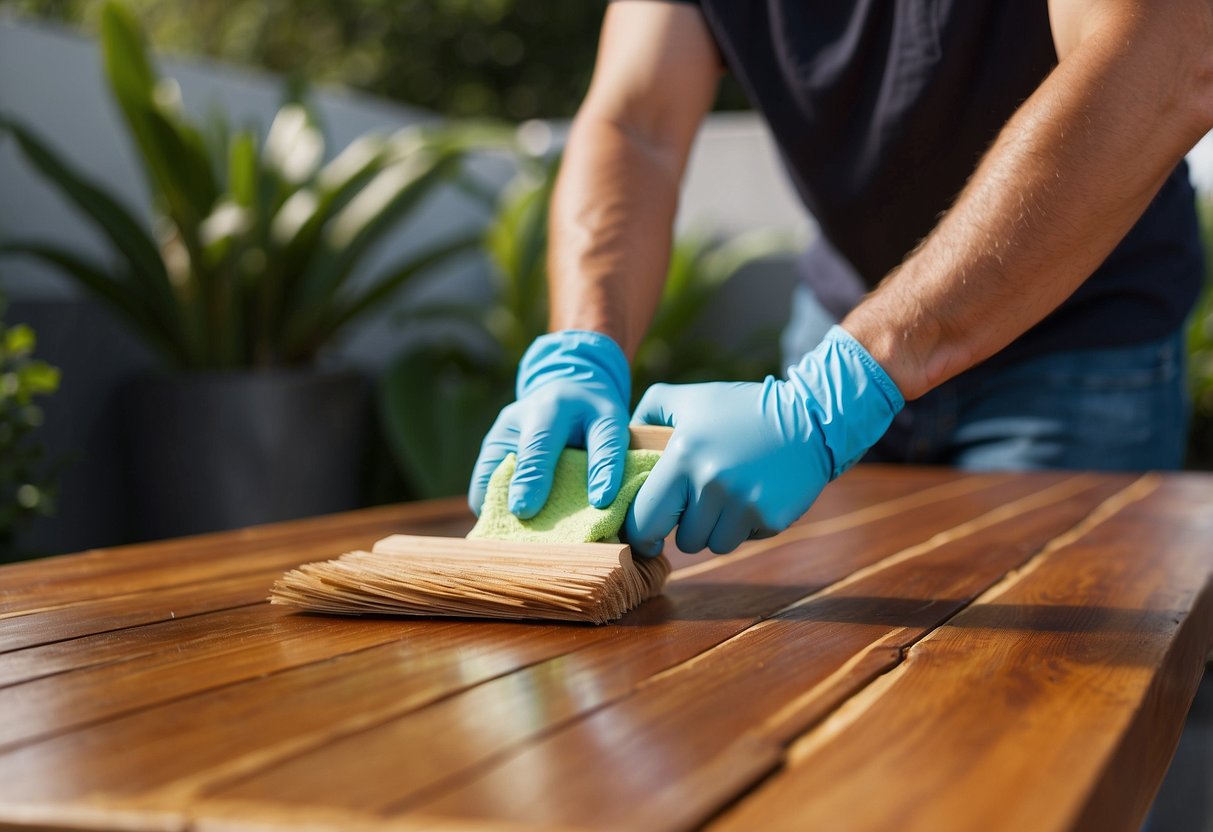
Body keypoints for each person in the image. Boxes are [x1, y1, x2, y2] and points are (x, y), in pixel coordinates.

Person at [468, 0, 1213, 558]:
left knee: (1030, 697)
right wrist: (581, 347)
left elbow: (1162, 56)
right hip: (837, 323)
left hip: (1077, 344)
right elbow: (636, 124)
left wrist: (837, 395)